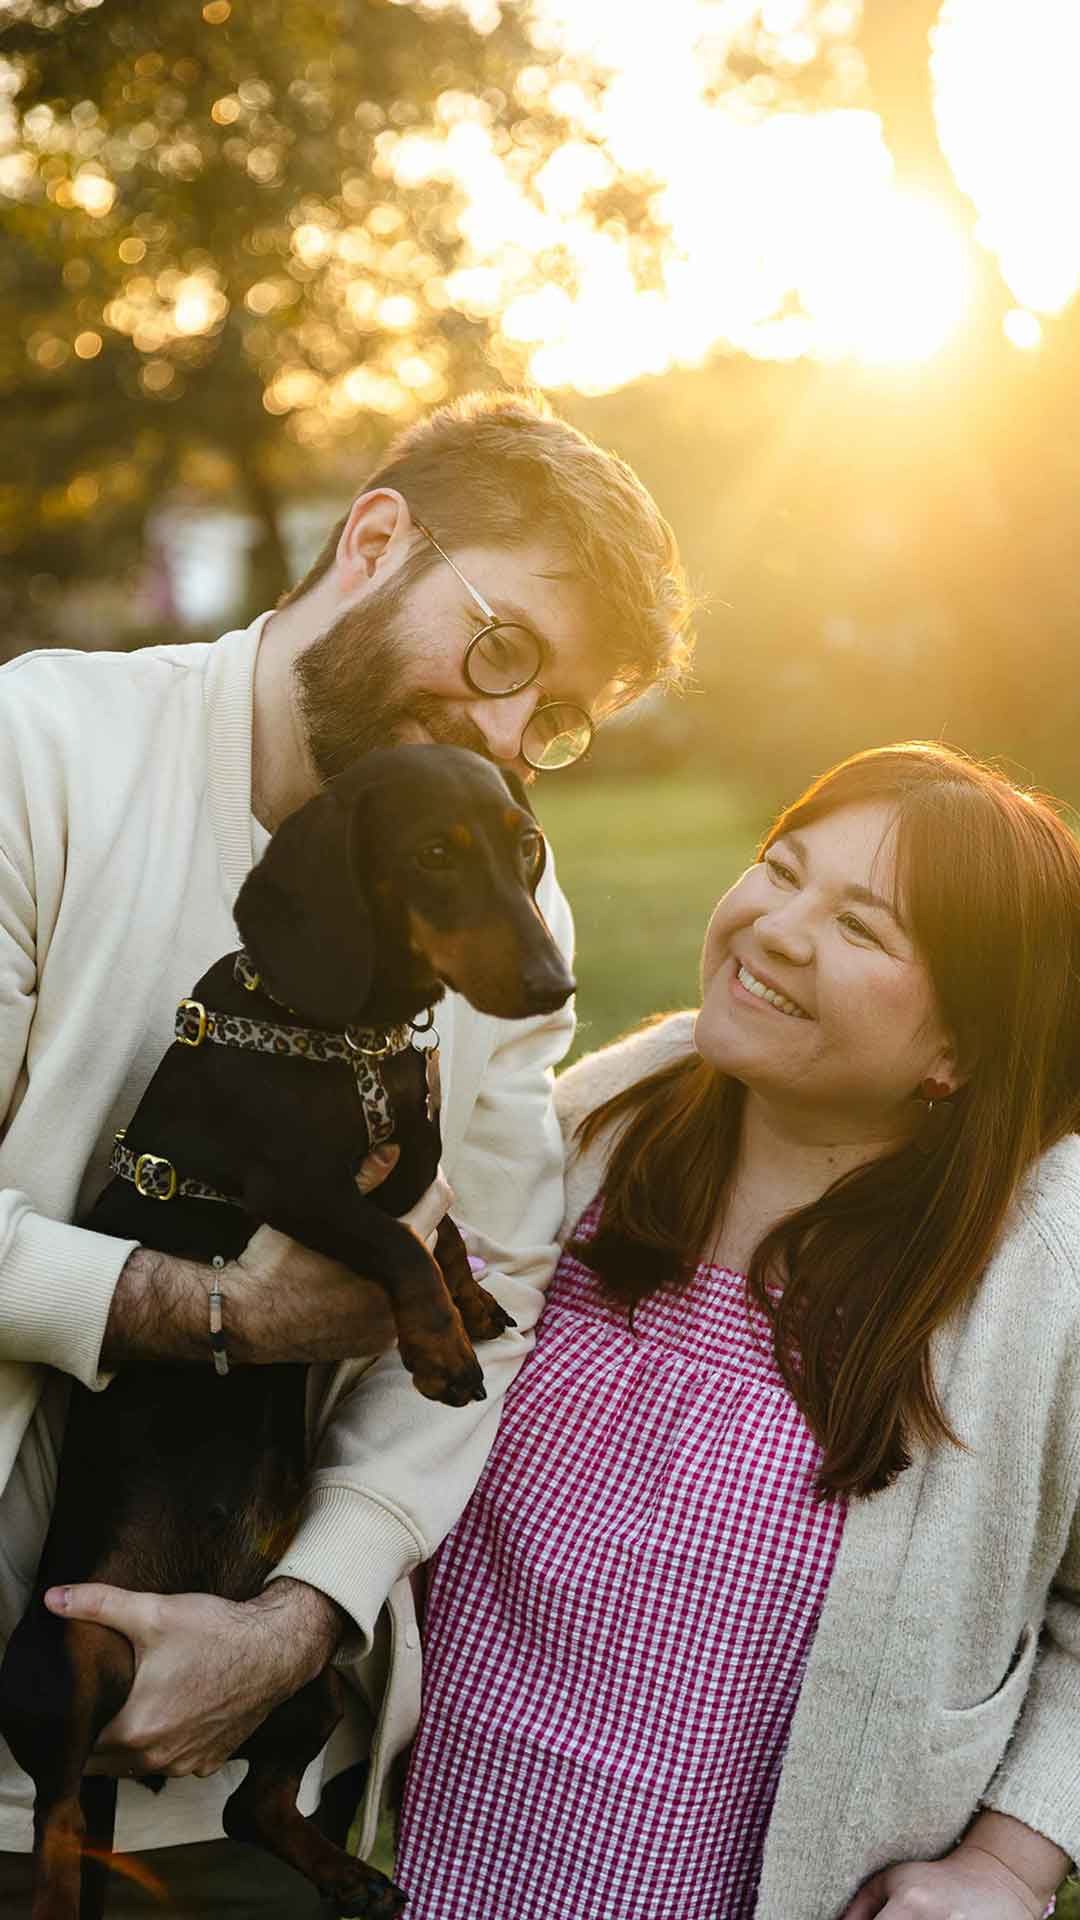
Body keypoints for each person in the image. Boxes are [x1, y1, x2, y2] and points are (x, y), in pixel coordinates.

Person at [0, 390, 692, 1912]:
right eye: (504, 653)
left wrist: (303, 1618)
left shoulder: (511, 908)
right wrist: (211, 1311)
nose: (508, 736)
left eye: (553, 716)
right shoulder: (35, 751)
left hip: (242, 1726)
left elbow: (491, 1293)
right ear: (378, 539)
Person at [389, 743, 1080, 1920]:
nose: (774, 928)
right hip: (414, 1874)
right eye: (780, 867)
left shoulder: (1035, 1283)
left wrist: (1010, 1865)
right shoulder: (583, 1140)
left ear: (960, 1048)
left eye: (863, 929)